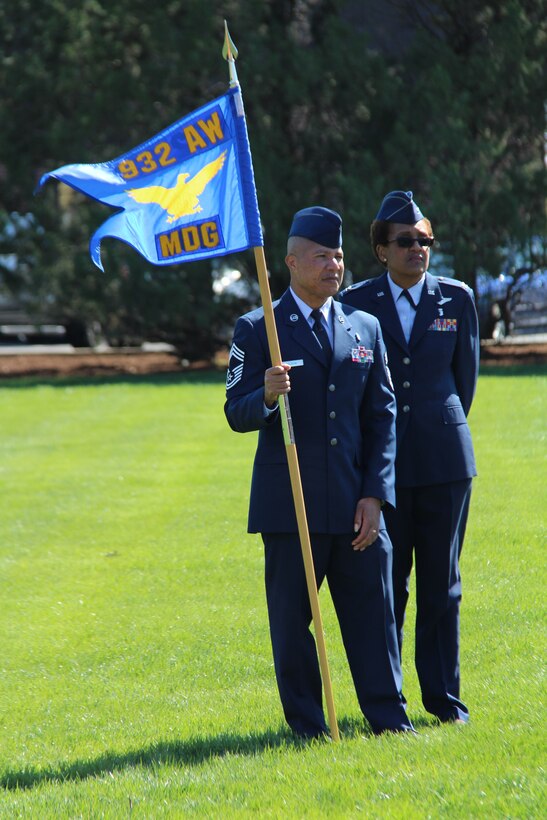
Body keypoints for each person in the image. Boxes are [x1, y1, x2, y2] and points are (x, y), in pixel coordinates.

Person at [224, 206, 414, 738]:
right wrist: (263, 393)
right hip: (291, 508)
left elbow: (383, 417)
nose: (333, 264)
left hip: (356, 506)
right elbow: (235, 411)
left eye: (337, 255)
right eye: (321, 256)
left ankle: (388, 718)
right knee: (291, 627)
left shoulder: (364, 327)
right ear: (290, 262)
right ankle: (307, 725)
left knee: (374, 620)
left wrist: (375, 495)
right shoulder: (258, 327)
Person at [340, 190, 479, 724]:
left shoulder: (457, 298)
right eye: (405, 241)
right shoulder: (357, 303)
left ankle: (445, 701)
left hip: (445, 462)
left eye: (424, 240)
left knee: (442, 584)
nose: (417, 249)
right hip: (383, 470)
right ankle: (388, 702)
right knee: (385, 585)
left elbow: (463, 383)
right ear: (381, 249)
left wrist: (434, 424)